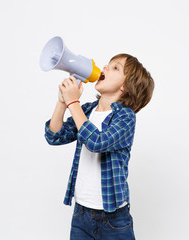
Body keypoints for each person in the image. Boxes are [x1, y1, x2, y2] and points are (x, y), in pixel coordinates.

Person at [44, 53, 154, 240]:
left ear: (125, 87)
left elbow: (97, 142)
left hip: (113, 219)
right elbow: (54, 136)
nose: (104, 68)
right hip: (81, 214)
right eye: (108, 65)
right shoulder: (86, 110)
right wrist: (63, 102)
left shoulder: (125, 117)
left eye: (115, 68)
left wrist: (73, 102)